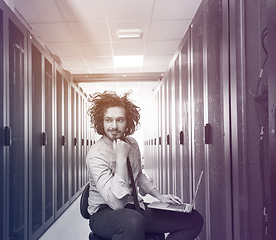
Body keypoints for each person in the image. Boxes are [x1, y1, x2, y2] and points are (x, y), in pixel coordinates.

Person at [86, 91, 203, 240]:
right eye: (108, 120)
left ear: (128, 121)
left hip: (135, 208)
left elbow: (138, 174)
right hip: (104, 213)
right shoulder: (96, 154)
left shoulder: (132, 144)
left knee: (193, 219)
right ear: (101, 122)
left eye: (120, 120)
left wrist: (160, 196)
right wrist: (121, 158)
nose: (114, 126)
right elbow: (116, 204)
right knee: (133, 222)